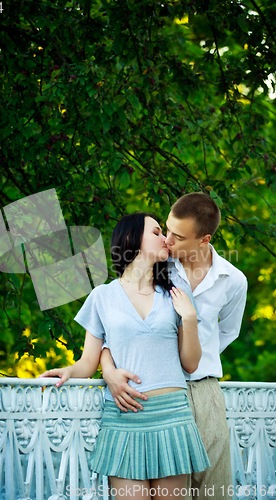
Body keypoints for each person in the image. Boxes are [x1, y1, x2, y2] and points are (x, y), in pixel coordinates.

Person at [39, 212, 210, 500]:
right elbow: (87, 362)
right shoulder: (101, 296)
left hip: (171, 416)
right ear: (132, 239)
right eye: (156, 232)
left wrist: (190, 319)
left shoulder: (177, 295)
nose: (165, 238)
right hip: (124, 418)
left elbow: (191, 364)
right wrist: (68, 371)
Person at [100, 193, 247, 500]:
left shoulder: (233, 280)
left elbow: (227, 333)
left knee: (213, 488)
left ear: (203, 239)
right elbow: (119, 325)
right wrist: (108, 368)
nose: (167, 240)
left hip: (202, 387)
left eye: (177, 236)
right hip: (153, 394)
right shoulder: (156, 267)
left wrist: (191, 357)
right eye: (165, 229)